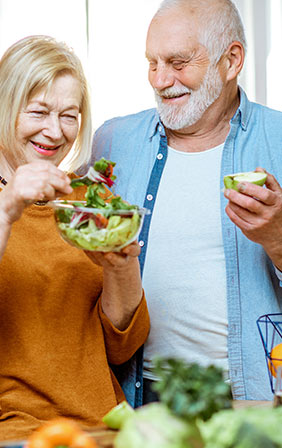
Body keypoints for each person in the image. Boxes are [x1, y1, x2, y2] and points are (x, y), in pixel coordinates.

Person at [0, 35, 149, 444]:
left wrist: (122, 266)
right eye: (38, 111)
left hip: (97, 429)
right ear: (4, 107)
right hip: (1, 431)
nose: (54, 132)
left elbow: (120, 346)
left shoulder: (92, 203)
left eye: (69, 116)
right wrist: (4, 210)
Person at [91, 0, 282, 405]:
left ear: (231, 61)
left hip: (252, 398)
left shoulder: (279, 140)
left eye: (178, 62)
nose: (161, 80)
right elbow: (54, 210)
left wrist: (278, 238)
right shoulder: (113, 141)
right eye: (152, 63)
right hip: (138, 397)